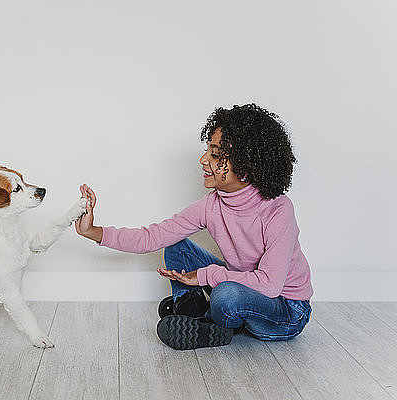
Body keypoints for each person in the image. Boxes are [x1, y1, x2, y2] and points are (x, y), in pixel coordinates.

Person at [74, 104, 313, 350]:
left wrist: (204, 276)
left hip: (285, 309)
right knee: (175, 246)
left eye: (216, 154)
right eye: (207, 150)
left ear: (246, 167)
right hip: (243, 285)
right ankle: (193, 310)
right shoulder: (211, 205)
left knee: (226, 295)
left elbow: (269, 285)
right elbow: (152, 237)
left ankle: (213, 321)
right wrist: (93, 231)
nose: (203, 160)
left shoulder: (278, 210)